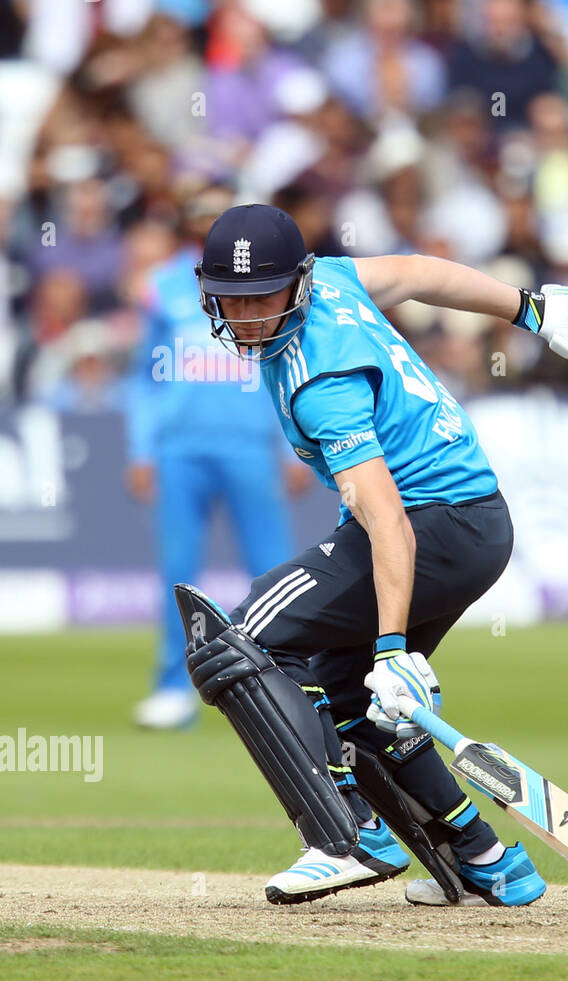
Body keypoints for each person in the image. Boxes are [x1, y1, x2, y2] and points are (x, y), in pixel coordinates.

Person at [183, 202, 568, 906]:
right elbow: (424, 274)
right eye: (231, 299)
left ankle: (347, 835)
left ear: (298, 283)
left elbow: (386, 515)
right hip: (475, 525)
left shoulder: (318, 379)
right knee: (351, 694)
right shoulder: (333, 278)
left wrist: (393, 647)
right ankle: (487, 858)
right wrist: (532, 311)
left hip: (429, 526)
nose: (246, 316)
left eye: (262, 295)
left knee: (242, 641)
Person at [127, 187, 311, 730]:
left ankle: (288, 686)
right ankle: (172, 688)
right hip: (180, 448)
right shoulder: (162, 286)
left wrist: (289, 444)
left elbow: (285, 357)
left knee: (274, 571)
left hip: (250, 445)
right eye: (199, 218)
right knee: (180, 574)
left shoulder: (259, 281)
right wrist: (143, 448)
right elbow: (144, 378)